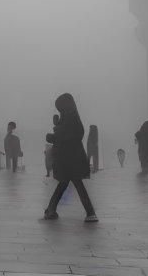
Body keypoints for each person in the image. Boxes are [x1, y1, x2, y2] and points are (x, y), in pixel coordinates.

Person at [43, 93, 97, 222]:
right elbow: (74, 134)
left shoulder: (68, 118)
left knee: (70, 183)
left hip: (68, 158)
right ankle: (51, 210)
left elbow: (63, 136)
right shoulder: (74, 117)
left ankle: (90, 213)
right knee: (68, 184)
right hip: (74, 157)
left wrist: (50, 136)